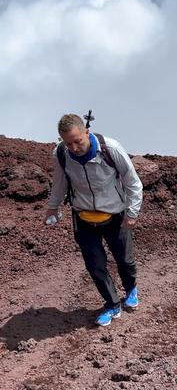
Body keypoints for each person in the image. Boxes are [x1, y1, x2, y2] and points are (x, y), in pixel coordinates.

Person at [45, 114, 143, 326]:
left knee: (124, 260)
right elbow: (60, 182)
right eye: (67, 142)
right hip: (82, 216)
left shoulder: (111, 149)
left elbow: (133, 183)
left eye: (77, 141)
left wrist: (132, 213)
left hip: (114, 214)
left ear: (86, 132)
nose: (73, 147)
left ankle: (131, 288)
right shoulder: (61, 154)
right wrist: (52, 207)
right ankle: (112, 304)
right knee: (95, 264)